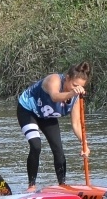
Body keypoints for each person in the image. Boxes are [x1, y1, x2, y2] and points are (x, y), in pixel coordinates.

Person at [15, 62, 90, 191]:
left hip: (47, 116)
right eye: (74, 85)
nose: (76, 89)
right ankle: (31, 186)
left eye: (80, 87)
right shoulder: (54, 80)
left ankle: (62, 185)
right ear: (67, 77)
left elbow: (76, 124)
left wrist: (84, 144)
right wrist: (72, 93)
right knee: (36, 145)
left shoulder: (76, 97)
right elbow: (55, 97)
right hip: (28, 111)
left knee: (58, 150)